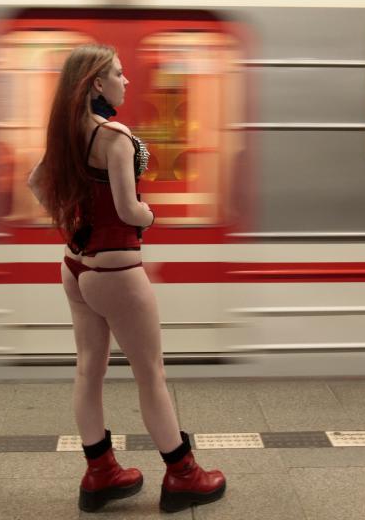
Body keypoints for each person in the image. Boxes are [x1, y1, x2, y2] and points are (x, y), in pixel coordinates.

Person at [28, 44, 226, 513]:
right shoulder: (114, 137)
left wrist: (69, 220)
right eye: (119, 73)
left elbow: (36, 182)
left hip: (75, 266)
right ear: (97, 83)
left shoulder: (67, 132)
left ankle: (101, 473)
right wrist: (150, 215)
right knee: (150, 374)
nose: (127, 81)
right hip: (116, 269)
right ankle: (183, 475)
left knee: (88, 369)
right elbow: (127, 208)